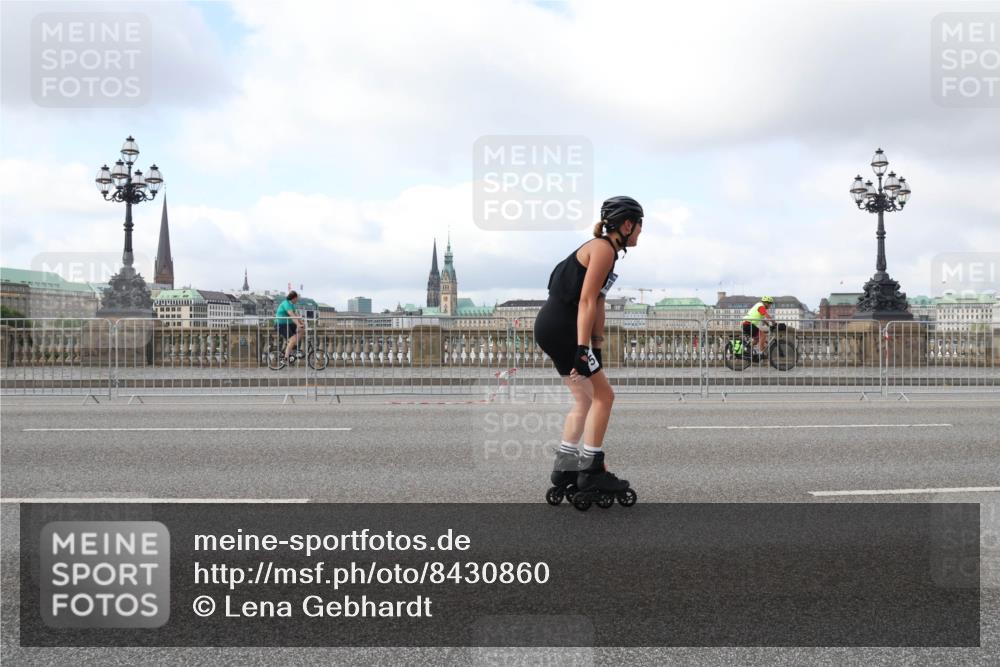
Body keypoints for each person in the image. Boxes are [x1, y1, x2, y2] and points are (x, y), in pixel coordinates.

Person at [535, 196, 642, 510]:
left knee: (584, 398)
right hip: (565, 328)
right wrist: (583, 348)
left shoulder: (602, 250)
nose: (640, 233)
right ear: (626, 224)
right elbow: (585, 301)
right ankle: (591, 469)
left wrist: (596, 345)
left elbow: (598, 302)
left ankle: (565, 465)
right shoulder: (603, 249)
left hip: (551, 327)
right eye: (639, 226)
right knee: (604, 397)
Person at [275, 290, 306, 361]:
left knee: (302, 330)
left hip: (288, 323)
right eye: (297, 298)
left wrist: (302, 323)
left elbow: (296, 315)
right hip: (281, 324)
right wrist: (298, 324)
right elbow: (292, 315)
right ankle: (286, 358)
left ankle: (294, 346)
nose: (297, 300)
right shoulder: (286, 304)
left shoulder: (291, 304)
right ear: (294, 298)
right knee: (292, 339)